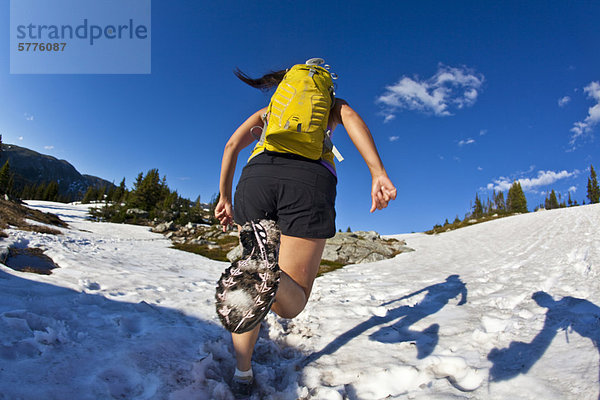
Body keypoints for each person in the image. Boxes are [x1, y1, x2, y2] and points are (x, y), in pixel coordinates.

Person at [214, 59, 397, 396]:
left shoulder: (271, 111)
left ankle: (243, 372)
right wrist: (377, 171)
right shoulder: (330, 105)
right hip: (310, 180)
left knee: (250, 288)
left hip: (257, 176)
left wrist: (224, 196)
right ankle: (266, 271)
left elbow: (230, 146)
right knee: (290, 301)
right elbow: (353, 119)